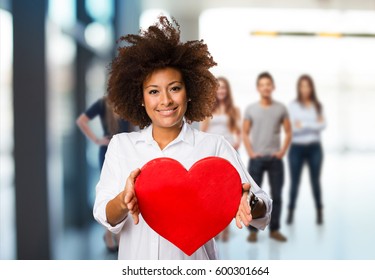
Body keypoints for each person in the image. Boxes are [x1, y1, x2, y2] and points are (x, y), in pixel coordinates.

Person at [93, 16, 272, 260]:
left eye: (175, 88)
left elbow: (262, 205)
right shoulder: (122, 146)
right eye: (154, 91)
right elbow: (104, 213)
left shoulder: (214, 147)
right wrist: (124, 202)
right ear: (140, 98)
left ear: (189, 93)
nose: (165, 100)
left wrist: (249, 201)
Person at [76, 96, 135, 252]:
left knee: (126, 188)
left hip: (127, 151)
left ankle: (116, 235)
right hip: (108, 150)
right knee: (110, 192)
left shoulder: (127, 102)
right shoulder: (102, 103)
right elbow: (81, 121)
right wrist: (96, 140)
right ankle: (110, 235)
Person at [243, 72, 291, 243]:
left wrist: (282, 152)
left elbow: (288, 131)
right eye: (262, 85)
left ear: (273, 87)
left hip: (275, 160)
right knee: (252, 197)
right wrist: (250, 152)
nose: (265, 87)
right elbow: (245, 132)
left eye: (268, 84)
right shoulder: (251, 109)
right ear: (258, 88)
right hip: (257, 159)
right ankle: (253, 231)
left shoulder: (280, 108)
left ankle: (275, 230)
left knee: (277, 196)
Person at [200, 76, 241, 241]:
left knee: (228, 193)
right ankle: (215, 227)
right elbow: (203, 132)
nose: (221, 91)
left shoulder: (234, 110)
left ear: (227, 90)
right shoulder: (207, 108)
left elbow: (238, 131)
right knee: (212, 193)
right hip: (212, 154)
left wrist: (237, 143)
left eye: (223, 87)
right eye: (218, 88)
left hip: (229, 153)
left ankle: (226, 228)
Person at [286, 74, 326, 225]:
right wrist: (313, 124)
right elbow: (294, 129)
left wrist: (305, 125)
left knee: (315, 181)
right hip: (297, 148)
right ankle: (290, 212)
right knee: (295, 182)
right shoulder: (293, 106)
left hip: (315, 148)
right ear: (299, 88)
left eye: (307, 86)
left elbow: (323, 125)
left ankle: (319, 211)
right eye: (302, 86)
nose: (305, 89)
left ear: (311, 88)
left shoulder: (317, 105)